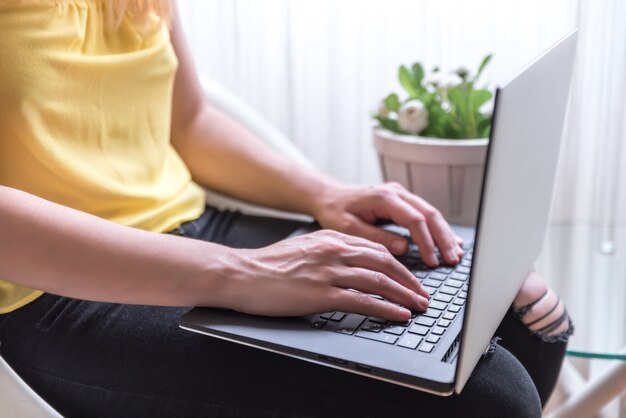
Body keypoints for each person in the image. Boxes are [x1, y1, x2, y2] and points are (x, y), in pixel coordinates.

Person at [0, 1, 572, 417]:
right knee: (491, 398)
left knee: (515, 311)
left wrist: (323, 194)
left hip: (196, 229)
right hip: (51, 293)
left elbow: (188, 122)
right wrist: (244, 274)